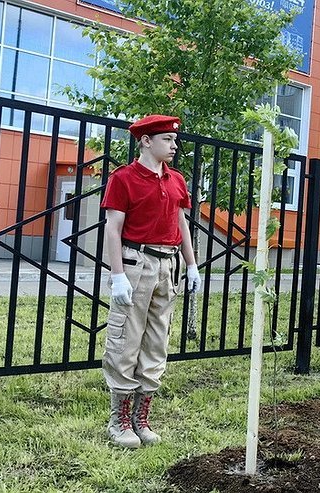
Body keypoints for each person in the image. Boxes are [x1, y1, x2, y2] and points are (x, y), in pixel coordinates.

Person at [101, 115, 202, 448]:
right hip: (135, 262)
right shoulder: (124, 178)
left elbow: (181, 222)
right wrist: (117, 276)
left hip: (167, 265)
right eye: (167, 140)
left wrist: (191, 264)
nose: (174, 146)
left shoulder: (176, 180)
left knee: (157, 341)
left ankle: (141, 419)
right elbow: (113, 229)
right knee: (126, 340)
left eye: (174, 141)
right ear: (146, 141)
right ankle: (119, 422)